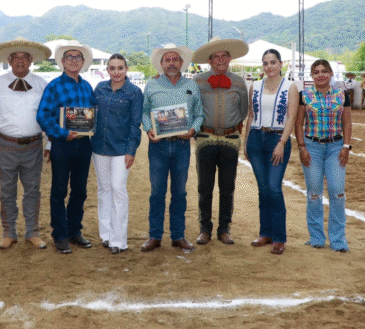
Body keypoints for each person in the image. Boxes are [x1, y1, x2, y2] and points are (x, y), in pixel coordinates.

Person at [0, 38, 52, 250]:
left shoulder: (41, 84)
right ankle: (9, 231)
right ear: (9, 60)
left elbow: (48, 116)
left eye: (25, 57)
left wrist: (49, 145)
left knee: (33, 190)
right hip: (6, 145)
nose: (20, 61)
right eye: (16, 57)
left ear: (31, 61)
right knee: (6, 191)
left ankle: (32, 231)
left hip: (33, 146)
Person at [140, 44, 203, 253]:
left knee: (180, 193)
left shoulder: (191, 85)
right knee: (157, 193)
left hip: (182, 146)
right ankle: (155, 236)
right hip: (158, 147)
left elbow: (199, 114)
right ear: (161, 64)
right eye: (167, 59)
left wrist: (193, 130)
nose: (172, 63)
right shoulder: (151, 84)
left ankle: (178, 235)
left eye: (175, 59)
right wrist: (149, 129)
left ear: (182, 63)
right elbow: (144, 112)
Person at [36, 40, 98, 254]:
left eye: (77, 57)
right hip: (62, 144)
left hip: (83, 144)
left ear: (82, 62)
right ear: (62, 62)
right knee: (59, 190)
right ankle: (60, 235)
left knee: (80, 190)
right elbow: (43, 116)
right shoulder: (54, 86)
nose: (73, 60)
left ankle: (74, 231)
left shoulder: (87, 86)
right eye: (69, 57)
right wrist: (62, 133)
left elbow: (93, 116)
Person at [191, 37, 249, 246]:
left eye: (224, 55)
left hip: (230, 139)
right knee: (204, 187)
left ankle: (224, 229)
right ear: (209, 60)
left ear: (230, 58)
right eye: (216, 56)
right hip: (205, 138)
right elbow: (192, 108)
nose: (221, 59)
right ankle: (204, 228)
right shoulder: (197, 81)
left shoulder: (239, 82)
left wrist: (231, 126)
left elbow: (243, 110)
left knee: (227, 186)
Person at [244, 49, 299, 255]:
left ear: (281, 63)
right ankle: (265, 233)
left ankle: (279, 237)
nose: (269, 67)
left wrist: (282, 142)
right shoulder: (255, 86)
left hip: (278, 138)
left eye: (273, 62)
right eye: (266, 63)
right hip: (256, 139)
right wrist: (246, 141)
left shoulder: (290, 87)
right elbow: (251, 115)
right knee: (263, 188)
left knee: (274, 188)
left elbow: (291, 118)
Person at [295, 59, 352, 252]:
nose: (320, 75)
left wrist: (346, 146)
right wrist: (302, 147)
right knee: (314, 194)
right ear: (311, 76)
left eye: (324, 71)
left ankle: (338, 240)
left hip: (336, 147)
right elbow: (299, 123)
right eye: (316, 72)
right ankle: (316, 238)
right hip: (312, 147)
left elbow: (347, 123)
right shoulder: (305, 95)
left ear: (330, 74)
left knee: (337, 192)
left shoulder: (342, 94)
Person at [90, 53, 143, 254]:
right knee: (104, 190)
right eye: (112, 68)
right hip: (99, 148)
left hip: (122, 149)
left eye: (120, 68)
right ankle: (106, 235)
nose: (116, 72)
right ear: (107, 70)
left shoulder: (135, 92)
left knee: (118, 189)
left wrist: (131, 150)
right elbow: (90, 115)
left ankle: (119, 240)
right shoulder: (100, 89)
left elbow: (135, 124)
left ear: (126, 69)